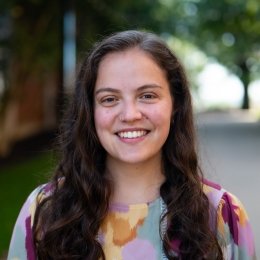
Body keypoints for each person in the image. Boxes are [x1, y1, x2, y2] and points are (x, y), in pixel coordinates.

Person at [8, 30, 256, 260]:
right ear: (90, 111)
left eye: (147, 95)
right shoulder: (45, 213)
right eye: (109, 99)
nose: (130, 114)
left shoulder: (221, 214)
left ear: (176, 104)